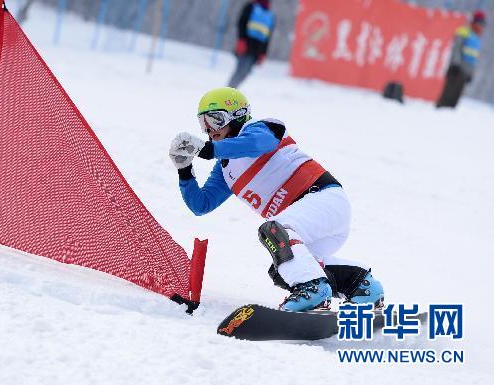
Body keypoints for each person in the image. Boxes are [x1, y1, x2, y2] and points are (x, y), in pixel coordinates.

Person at [168, 87, 385, 312]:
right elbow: (201, 205)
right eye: (203, 124)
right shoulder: (225, 168)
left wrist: (207, 149)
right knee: (284, 268)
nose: (210, 130)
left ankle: (312, 290)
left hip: (323, 199)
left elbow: (255, 144)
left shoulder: (263, 127)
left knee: (273, 230)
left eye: (215, 119)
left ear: (238, 114)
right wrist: (184, 169)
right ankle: (361, 286)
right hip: (308, 226)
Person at [436, 10, 486, 108]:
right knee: (448, 96)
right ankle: (439, 114)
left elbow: (473, 58)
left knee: (455, 98)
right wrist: (455, 64)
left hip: (465, 73)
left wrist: (471, 74)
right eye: (480, 24)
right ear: (474, 23)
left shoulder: (477, 39)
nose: (481, 27)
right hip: (457, 70)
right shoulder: (464, 32)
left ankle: (447, 118)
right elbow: (457, 49)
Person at [227, 0, 275, 88]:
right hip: (246, 45)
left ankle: (232, 91)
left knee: (246, 72)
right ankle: (228, 92)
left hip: (257, 49)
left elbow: (268, 37)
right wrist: (241, 40)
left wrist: (263, 53)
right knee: (241, 70)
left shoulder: (270, 15)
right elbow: (241, 23)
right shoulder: (251, 7)